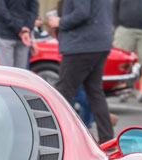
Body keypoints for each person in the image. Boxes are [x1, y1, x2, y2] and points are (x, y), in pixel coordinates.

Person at [48, 0, 115, 143]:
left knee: (62, 93)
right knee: (95, 92)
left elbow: (81, 13)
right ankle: (107, 140)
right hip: (99, 43)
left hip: (81, 45)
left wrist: (60, 22)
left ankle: (59, 140)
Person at [112, 0, 142, 102]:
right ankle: (123, 90)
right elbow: (115, 6)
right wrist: (116, 25)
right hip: (125, 28)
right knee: (122, 61)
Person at [0, 0, 39, 69]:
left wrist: (20, 30)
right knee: (20, 72)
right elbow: (33, 12)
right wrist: (25, 30)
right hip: (23, 36)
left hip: (5, 35)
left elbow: (2, 12)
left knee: (6, 71)